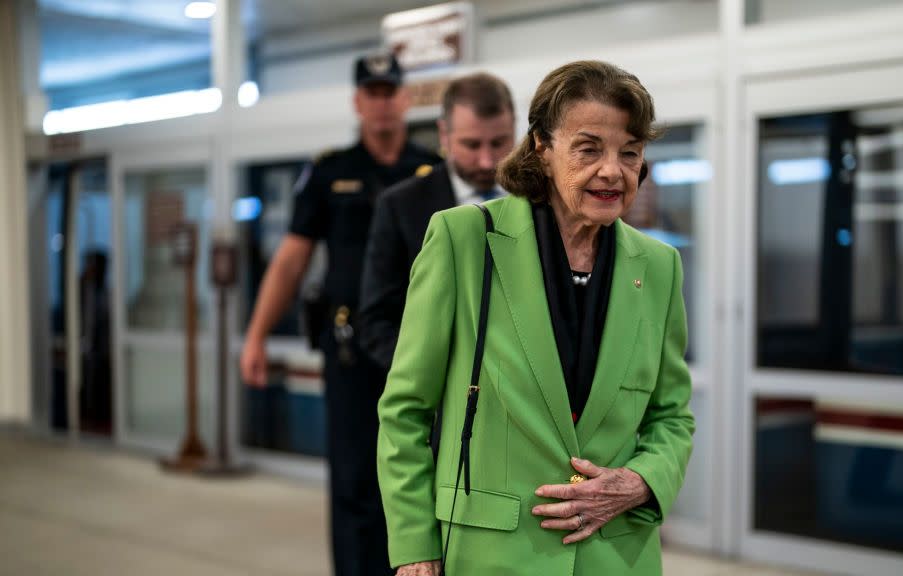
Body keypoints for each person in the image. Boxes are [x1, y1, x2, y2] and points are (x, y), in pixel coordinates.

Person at [377, 60, 696, 575]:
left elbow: (671, 415)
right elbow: (405, 409)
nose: (612, 170)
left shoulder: (659, 267)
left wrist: (643, 481)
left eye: (630, 152)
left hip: (616, 555)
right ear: (543, 149)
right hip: (492, 555)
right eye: (589, 148)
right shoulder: (464, 240)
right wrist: (415, 545)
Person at [239, 52, 440, 576]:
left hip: (417, 350)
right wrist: (256, 336)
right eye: (370, 93)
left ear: (404, 98)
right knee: (354, 482)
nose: (381, 103)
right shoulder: (330, 172)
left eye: (389, 92)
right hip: (351, 356)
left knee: (424, 473)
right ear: (358, 102)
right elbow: (290, 260)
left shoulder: (432, 173)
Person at [359, 72, 516, 371]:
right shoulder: (401, 206)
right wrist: (430, 379)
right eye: (471, 145)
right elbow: (376, 321)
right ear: (444, 135)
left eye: (499, 142)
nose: (487, 160)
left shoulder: (540, 200)